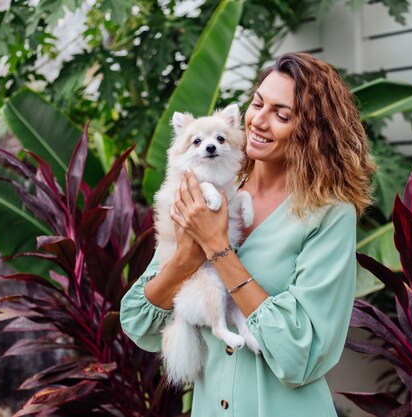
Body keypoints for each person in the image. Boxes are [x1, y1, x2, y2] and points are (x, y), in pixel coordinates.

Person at [120, 52, 375, 417]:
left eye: (282, 115)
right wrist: (189, 258)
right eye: (257, 103)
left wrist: (217, 248)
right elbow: (138, 322)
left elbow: (301, 356)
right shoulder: (211, 187)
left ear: (312, 133)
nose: (259, 121)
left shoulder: (330, 213)